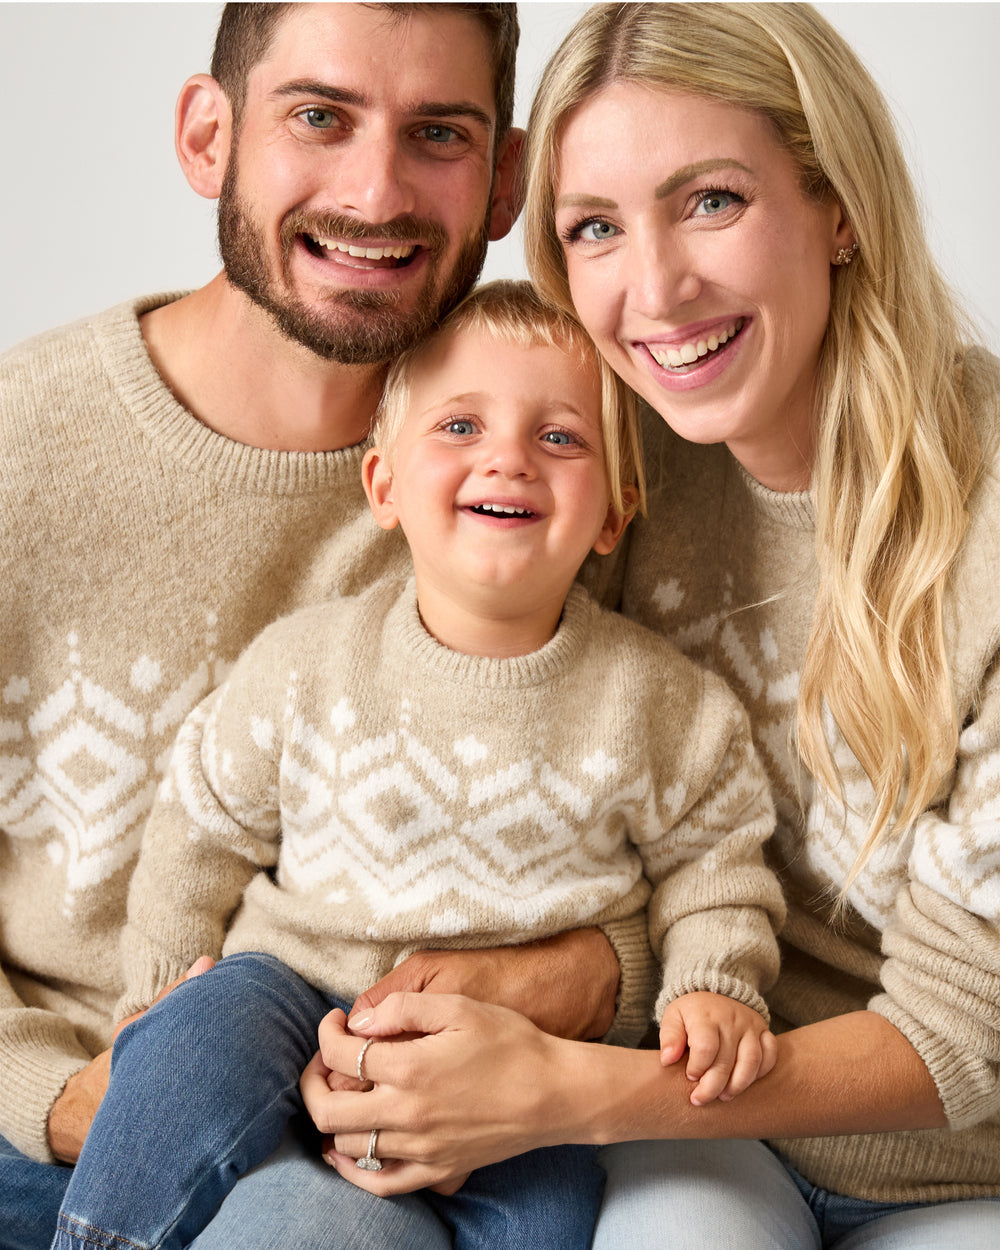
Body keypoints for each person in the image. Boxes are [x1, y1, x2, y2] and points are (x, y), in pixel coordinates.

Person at [298, 5, 1000, 1247]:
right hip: (710, 1130)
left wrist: (565, 1089)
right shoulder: (609, 469)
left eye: (712, 201)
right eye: (595, 230)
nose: (656, 289)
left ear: (837, 207)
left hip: (957, 1158)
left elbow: (968, 1029)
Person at [0, 6, 646, 1249]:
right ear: (208, 135)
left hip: (402, 1154)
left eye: (438, 135)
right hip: (56, 1136)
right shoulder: (25, 452)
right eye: (318, 116)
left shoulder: (548, 464)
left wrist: (579, 971)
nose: (375, 190)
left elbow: (665, 820)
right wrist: (76, 1097)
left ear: (507, 179)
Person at [51, 280, 784, 1250]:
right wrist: (155, 993)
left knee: (554, 1206)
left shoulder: (665, 706)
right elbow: (201, 821)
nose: (508, 457)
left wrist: (712, 984)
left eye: (561, 438)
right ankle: (101, 1237)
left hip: (520, 1059)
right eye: (460, 424)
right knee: (188, 1042)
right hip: (292, 992)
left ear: (615, 511)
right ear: (383, 484)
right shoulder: (304, 661)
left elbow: (717, 868)